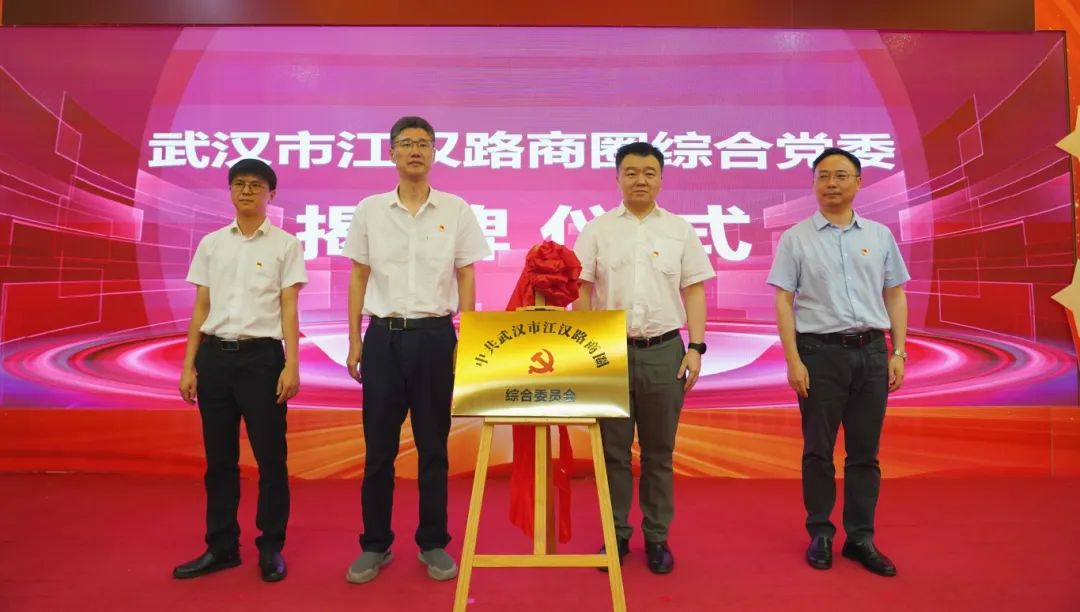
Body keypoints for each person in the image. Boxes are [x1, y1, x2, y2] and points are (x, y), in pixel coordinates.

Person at [341, 116, 490, 584]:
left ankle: (433, 542)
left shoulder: (456, 209)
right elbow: (359, 276)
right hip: (383, 338)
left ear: (434, 152)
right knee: (378, 451)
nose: (415, 151)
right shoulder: (370, 210)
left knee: (433, 448)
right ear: (391, 153)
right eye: (406, 143)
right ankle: (375, 544)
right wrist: (354, 339)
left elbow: (466, 274)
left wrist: (467, 335)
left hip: (435, 338)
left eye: (423, 144)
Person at [766, 147, 909, 577]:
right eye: (823, 176)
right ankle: (821, 533)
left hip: (872, 352)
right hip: (819, 355)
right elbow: (783, 301)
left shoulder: (879, 236)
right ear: (813, 184)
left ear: (859, 183)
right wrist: (793, 359)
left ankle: (861, 538)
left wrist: (898, 351)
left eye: (841, 175)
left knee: (865, 453)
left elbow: (895, 294)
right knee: (819, 450)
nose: (831, 183)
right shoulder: (796, 238)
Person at [573, 142, 714, 574]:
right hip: (609, 353)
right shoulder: (596, 229)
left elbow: (694, 290)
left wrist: (696, 347)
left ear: (661, 179)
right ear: (617, 178)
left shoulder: (679, 230)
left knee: (659, 452)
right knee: (612, 452)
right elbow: (581, 291)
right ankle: (615, 533)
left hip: (665, 351)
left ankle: (656, 536)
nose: (640, 180)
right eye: (631, 172)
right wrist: (585, 348)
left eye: (649, 173)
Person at [173, 159, 307, 583]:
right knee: (219, 461)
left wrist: (291, 364)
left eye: (256, 185)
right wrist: (188, 365)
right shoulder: (212, 244)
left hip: (262, 361)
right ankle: (221, 546)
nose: (247, 191)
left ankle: (270, 547)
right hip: (214, 359)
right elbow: (201, 308)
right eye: (239, 184)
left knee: (271, 458)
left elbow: (289, 308)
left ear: (272, 194)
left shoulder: (285, 245)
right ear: (230, 191)